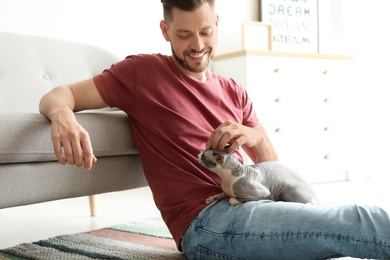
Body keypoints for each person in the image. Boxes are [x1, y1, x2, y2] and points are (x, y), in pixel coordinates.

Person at [39, 0, 390, 259]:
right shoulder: (140, 73)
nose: (197, 45)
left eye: (206, 32)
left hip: (252, 203)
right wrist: (63, 116)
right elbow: (60, 94)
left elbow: (272, 168)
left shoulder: (233, 89)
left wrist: (253, 136)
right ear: (165, 31)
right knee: (361, 221)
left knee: (340, 227)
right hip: (206, 226)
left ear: (217, 24)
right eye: (184, 34)